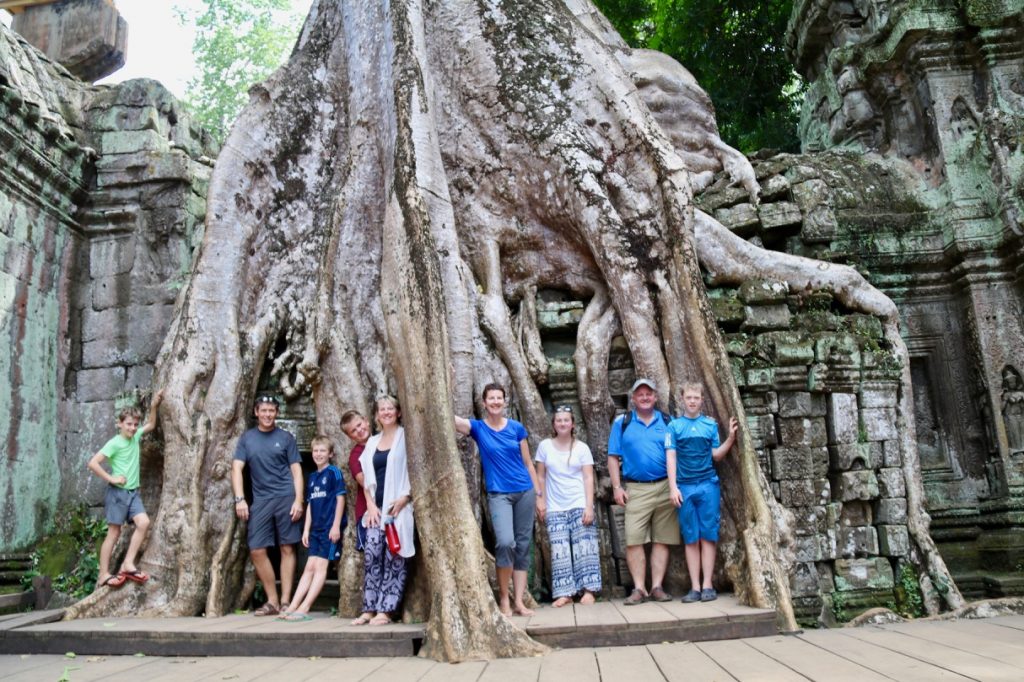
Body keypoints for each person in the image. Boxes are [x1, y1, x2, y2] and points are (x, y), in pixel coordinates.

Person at [454, 383, 544, 616]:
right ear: (483, 403)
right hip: (499, 494)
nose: (495, 402)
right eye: (491, 398)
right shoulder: (478, 428)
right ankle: (504, 598)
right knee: (505, 542)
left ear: (505, 402)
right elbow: (448, 417)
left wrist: (539, 495)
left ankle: (519, 602)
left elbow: (527, 463)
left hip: (525, 491)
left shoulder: (516, 428)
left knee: (523, 545)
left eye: (499, 398)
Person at [607, 378, 677, 605]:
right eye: (640, 394)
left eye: (649, 394)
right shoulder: (623, 422)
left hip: (665, 485)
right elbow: (612, 456)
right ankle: (639, 588)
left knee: (662, 539)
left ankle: (656, 586)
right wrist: (617, 487)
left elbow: (676, 452)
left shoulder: (667, 421)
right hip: (635, 488)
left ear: (655, 397)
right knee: (634, 539)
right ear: (634, 398)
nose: (645, 397)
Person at [232, 395, 303, 617]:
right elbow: (236, 469)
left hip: (285, 496)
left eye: (271, 410)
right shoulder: (247, 439)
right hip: (260, 499)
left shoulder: (286, 438)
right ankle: (271, 600)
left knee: (287, 547)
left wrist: (299, 499)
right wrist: (240, 498)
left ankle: (285, 600)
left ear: (277, 412)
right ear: (256, 412)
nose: (268, 415)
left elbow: (297, 471)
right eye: (263, 410)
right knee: (257, 549)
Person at [667, 382, 738, 603]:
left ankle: (707, 584)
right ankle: (695, 587)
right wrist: (673, 487)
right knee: (691, 537)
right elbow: (671, 456)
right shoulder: (675, 426)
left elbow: (716, 455)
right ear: (682, 399)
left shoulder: (709, 425)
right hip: (685, 486)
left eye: (696, 397)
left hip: (708, 484)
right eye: (688, 397)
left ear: (702, 400)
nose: (692, 401)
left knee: (708, 535)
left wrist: (731, 439)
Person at [88, 390, 164, 589]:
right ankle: (103, 574)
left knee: (143, 522)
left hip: (133, 492)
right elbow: (93, 463)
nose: (132, 428)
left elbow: (151, 424)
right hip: (117, 493)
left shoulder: (136, 436)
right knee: (114, 532)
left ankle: (127, 563)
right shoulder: (114, 443)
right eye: (128, 424)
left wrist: (154, 406)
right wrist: (111, 477)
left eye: (134, 424)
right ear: (119, 424)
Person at [351, 396, 415, 626]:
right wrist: (369, 503)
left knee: (394, 557)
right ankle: (368, 608)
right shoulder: (372, 442)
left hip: (398, 508)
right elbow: (367, 478)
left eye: (390, 408)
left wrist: (405, 498)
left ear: (398, 412)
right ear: (377, 415)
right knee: (371, 556)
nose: (386, 412)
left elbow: (415, 469)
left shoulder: (406, 436)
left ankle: (386, 610)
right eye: (382, 409)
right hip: (375, 510)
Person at [535, 405, 601, 607]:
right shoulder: (545, 446)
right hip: (555, 505)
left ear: (572, 424)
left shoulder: (581, 448)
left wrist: (589, 506)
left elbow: (589, 477)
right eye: (559, 420)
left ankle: (589, 590)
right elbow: (540, 476)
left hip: (579, 502)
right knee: (559, 550)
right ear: (554, 424)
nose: (562, 423)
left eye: (566, 420)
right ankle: (565, 592)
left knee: (585, 548)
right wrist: (540, 500)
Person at [279, 435, 346, 621]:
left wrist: (335, 527)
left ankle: (305, 607)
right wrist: (306, 529)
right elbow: (309, 505)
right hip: (315, 529)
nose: (318, 454)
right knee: (309, 567)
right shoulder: (313, 478)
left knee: (320, 566)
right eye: (315, 451)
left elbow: (341, 499)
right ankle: (293, 605)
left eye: (322, 451)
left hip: (329, 528)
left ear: (330, 453)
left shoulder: (334, 473)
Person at [341, 410, 372, 551]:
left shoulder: (384, 441)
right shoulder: (355, 456)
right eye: (354, 430)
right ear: (349, 436)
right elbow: (367, 484)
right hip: (368, 510)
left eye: (359, 424)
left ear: (366, 421)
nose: (359, 430)